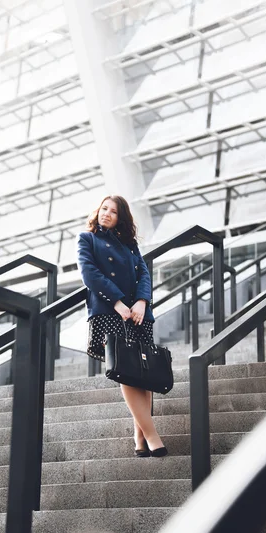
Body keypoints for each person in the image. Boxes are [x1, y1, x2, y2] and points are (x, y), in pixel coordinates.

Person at [76, 195, 167, 458]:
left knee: (145, 374)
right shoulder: (87, 239)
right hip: (109, 311)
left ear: (121, 218)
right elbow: (89, 274)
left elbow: (144, 274)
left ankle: (139, 438)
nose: (106, 214)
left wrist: (141, 302)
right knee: (126, 371)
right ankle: (152, 435)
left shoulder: (130, 244)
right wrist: (117, 302)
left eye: (113, 212)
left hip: (138, 314)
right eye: (104, 208)